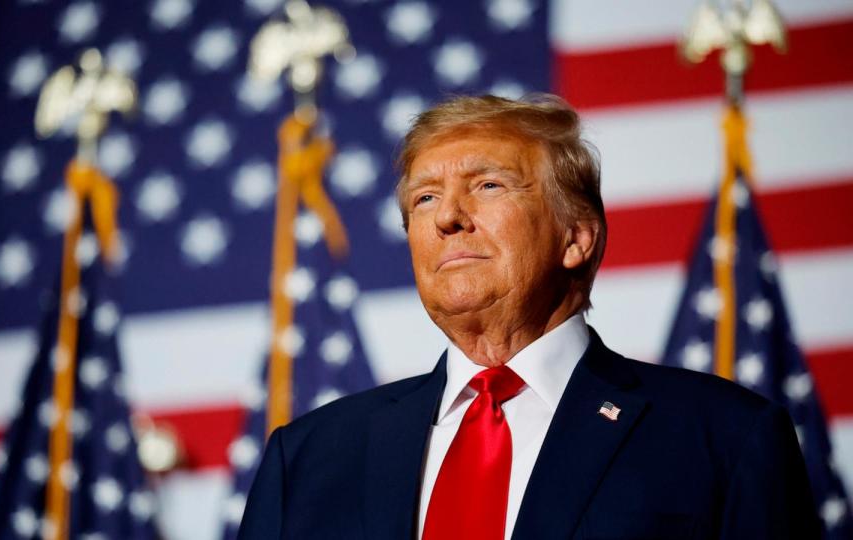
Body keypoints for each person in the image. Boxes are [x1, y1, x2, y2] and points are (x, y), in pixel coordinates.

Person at [238, 94, 819, 539]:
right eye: (425, 199)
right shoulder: (310, 457)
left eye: (487, 185)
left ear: (576, 238)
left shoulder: (724, 437)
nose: (448, 219)